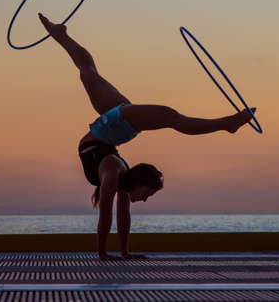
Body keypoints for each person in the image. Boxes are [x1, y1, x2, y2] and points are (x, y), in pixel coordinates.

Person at [38, 13, 256, 261]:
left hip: (108, 131)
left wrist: (107, 254)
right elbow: (119, 217)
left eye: (146, 194)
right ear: (137, 181)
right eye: (147, 193)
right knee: (94, 77)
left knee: (96, 77)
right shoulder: (119, 175)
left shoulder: (113, 177)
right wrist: (122, 253)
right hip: (112, 130)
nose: (144, 199)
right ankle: (61, 35)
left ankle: (227, 124)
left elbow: (110, 216)